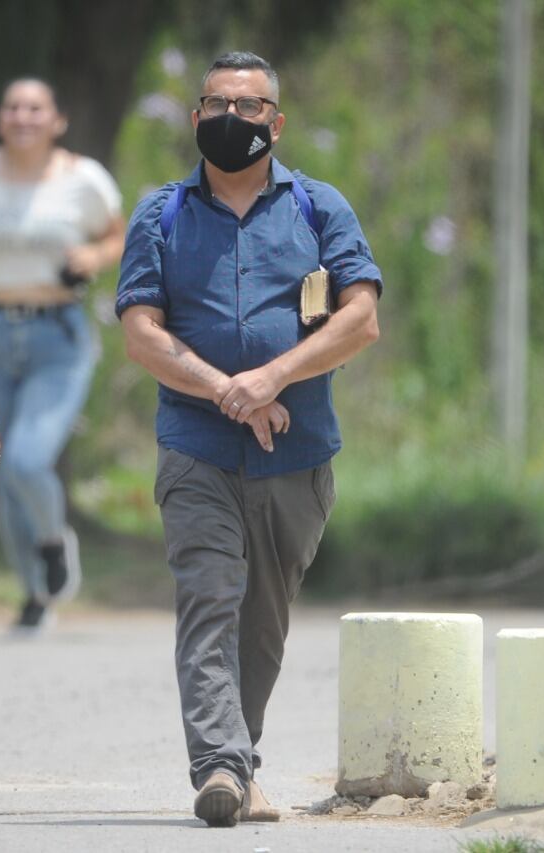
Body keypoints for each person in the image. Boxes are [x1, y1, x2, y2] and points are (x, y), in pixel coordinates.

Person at [116, 52, 383, 827]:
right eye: (218, 103)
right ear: (197, 115)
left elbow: (360, 318)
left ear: (277, 121)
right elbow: (141, 333)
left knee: (260, 623)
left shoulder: (318, 208)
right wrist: (228, 391)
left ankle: (241, 758)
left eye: (251, 105)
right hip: (194, 448)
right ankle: (220, 768)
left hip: (297, 456)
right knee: (208, 599)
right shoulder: (160, 214)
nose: (234, 117)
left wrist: (271, 379)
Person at [0, 78, 125, 632]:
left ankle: (52, 539)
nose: (23, 117)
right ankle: (35, 594)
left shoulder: (84, 180)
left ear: (57, 120)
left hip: (57, 334)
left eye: (35, 108)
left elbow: (116, 236)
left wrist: (92, 254)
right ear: (0, 118)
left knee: (26, 458)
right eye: (13, 106)